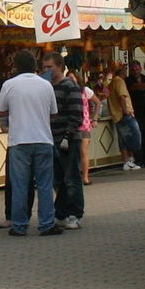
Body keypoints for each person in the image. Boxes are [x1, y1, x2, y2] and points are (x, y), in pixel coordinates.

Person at [0, 51, 60, 236]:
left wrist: (14, 110)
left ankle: (19, 225)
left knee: (20, 186)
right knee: (45, 185)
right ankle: (47, 223)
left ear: (16, 66)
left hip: (19, 141)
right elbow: (54, 113)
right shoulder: (46, 85)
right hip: (43, 139)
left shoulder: (9, 85)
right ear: (35, 66)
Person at [41, 52, 85, 229]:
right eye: (44, 67)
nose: (46, 70)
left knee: (71, 178)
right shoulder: (46, 87)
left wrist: (68, 134)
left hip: (68, 139)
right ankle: (62, 213)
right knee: (57, 179)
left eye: (49, 67)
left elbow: (77, 114)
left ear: (59, 66)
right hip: (51, 138)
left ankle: (75, 213)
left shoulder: (69, 86)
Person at [107, 65, 140, 170]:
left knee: (123, 138)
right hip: (124, 114)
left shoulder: (112, 82)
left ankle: (126, 161)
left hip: (117, 114)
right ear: (123, 73)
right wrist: (126, 110)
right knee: (132, 136)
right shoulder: (119, 81)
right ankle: (130, 159)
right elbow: (122, 96)